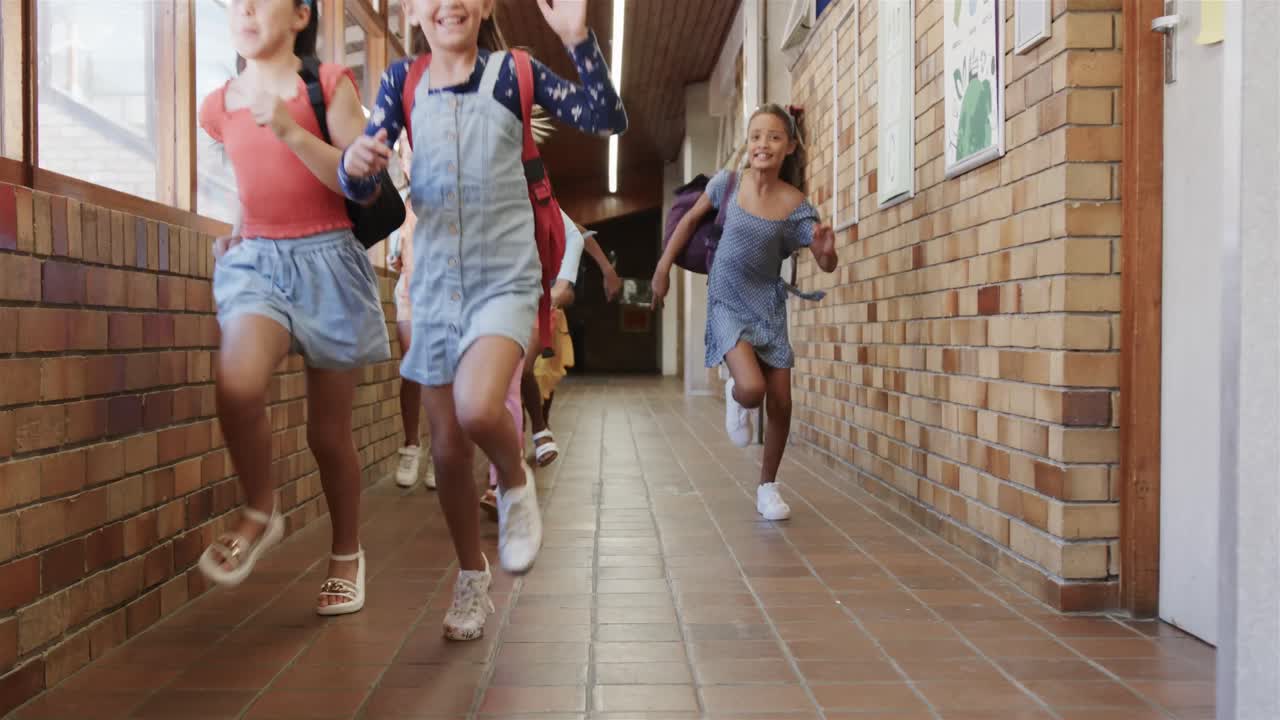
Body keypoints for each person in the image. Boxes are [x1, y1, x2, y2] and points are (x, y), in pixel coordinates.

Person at [339, 0, 626, 640]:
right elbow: (364, 187)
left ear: (487, 4)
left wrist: (579, 39)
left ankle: (515, 479)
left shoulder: (515, 72)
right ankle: (471, 578)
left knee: (476, 407)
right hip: (435, 282)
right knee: (445, 448)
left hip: (504, 277)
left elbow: (606, 118)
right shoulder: (400, 82)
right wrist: (354, 168)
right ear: (413, 11)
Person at [196, 0, 387, 616]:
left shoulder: (328, 84)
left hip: (329, 262)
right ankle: (260, 507)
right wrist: (236, 228)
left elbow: (359, 182)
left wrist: (287, 127)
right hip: (259, 263)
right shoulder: (218, 105)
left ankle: (347, 553)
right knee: (238, 381)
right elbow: (251, 183)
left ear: (300, 16)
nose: (244, 9)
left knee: (327, 435)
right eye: (236, 2)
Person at [650, 104, 837, 522]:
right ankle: (738, 394)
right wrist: (663, 268)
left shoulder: (796, 206)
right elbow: (687, 223)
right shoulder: (728, 184)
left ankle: (768, 486)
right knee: (753, 391)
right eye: (756, 136)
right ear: (748, 144)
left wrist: (826, 252)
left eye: (773, 137)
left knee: (782, 402)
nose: (762, 144)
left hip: (768, 305)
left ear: (789, 146)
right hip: (727, 301)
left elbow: (825, 261)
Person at [387, 141, 435, 490]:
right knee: (411, 367)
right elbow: (397, 252)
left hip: (444, 295)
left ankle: (439, 451)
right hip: (409, 291)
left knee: (441, 375)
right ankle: (411, 444)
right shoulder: (401, 203)